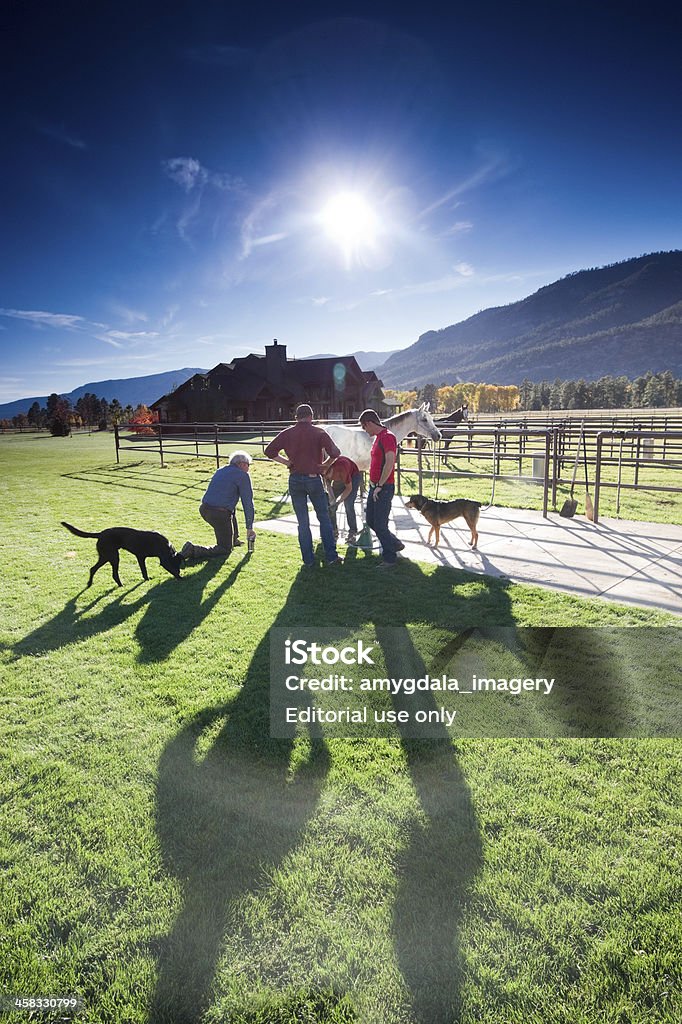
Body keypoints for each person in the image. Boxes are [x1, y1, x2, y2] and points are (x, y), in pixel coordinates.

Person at [264, 404, 343, 568]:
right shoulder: (319, 432)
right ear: (311, 416)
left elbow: (269, 451)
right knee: (324, 518)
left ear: (296, 417)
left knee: (303, 522)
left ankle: (308, 560)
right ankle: (331, 556)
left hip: (295, 480)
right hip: (314, 479)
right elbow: (336, 453)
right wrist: (326, 465)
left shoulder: (287, 433)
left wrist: (286, 462)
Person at [181, 451, 255, 560]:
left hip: (204, 509)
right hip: (219, 514)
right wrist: (250, 528)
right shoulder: (242, 475)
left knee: (230, 511)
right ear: (242, 464)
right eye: (248, 465)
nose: (248, 468)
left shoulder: (221, 470)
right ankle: (193, 549)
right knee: (224, 549)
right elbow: (247, 503)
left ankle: (233, 539)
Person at [358, 408, 405, 568]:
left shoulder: (387, 437)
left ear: (370, 423)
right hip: (375, 486)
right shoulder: (378, 438)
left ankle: (389, 558)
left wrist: (380, 485)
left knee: (380, 524)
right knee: (371, 520)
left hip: (383, 488)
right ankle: (395, 543)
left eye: (365, 427)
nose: (365, 431)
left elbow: (390, 462)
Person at [322, 455, 362, 542]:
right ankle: (333, 530)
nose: (327, 479)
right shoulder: (327, 474)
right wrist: (332, 501)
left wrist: (338, 502)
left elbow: (349, 488)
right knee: (329, 505)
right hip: (340, 478)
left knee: (348, 503)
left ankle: (353, 531)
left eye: (328, 477)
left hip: (353, 477)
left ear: (332, 470)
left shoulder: (341, 469)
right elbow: (329, 488)